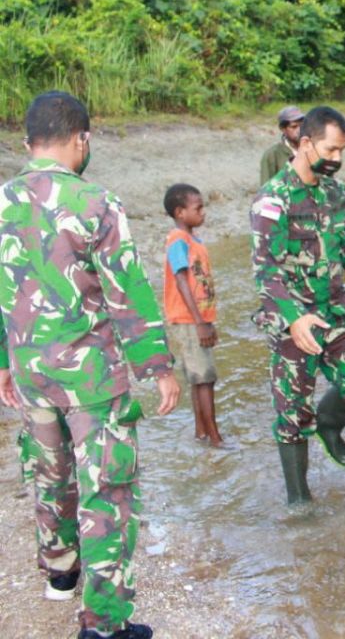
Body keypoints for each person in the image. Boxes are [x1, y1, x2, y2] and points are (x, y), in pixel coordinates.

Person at [0, 91, 181, 639]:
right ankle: (104, 625)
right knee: (108, 491)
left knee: (50, 474)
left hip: (30, 372)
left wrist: (4, 363)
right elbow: (127, 290)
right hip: (90, 377)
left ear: (29, 141)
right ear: (82, 140)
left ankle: (60, 572)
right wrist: (157, 365)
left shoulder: (3, 201)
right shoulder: (96, 202)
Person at [250, 105, 345, 506]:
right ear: (306, 143)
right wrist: (293, 320)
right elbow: (266, 272)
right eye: (330, 151)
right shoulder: (272, 198)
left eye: (342, 151)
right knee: (293, 415)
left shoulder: (336, 192)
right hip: (291, 318)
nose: (337, 159)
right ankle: (299, 500)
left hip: (334, 310)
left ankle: (329, 427)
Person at [162, 183, 224, 448]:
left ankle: (201, 433)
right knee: (205, 380)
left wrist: (207, 321)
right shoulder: (178, 240)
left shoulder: (192, 241)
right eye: (198, 208)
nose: (203, 213)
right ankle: (215, 438)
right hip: (189, 320)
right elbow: (181, 280)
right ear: (180, 212)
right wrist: (200, 323)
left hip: (198, 320)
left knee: (200, 379)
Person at [260, 105, 305, 185]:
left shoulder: (312, 150)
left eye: (302, 125)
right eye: (294, 127)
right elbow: (265, 190)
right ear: (283, 129)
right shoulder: (272, 155)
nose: (299, 130)